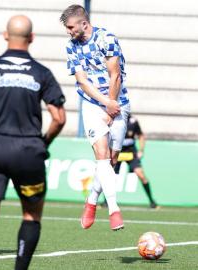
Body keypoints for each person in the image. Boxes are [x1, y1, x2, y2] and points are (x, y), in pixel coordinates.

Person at [0, 15, 66, 270]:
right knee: (31, 215)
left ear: (5, 35)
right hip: (27, 151)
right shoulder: (42, 73)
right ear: (31, 38)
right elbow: (59, 118)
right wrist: (44, 143)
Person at [60, 4, 130, 231]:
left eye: (71, 27)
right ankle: (113, 210)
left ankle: (91, 201)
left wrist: (111, 105)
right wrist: (104, 104)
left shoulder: (107, 39)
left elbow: (115, 74)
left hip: (118, 102)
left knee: (111, 161)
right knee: (101, 155)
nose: (69, 31)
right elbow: (82, 80)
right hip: (92, 104)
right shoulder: (71, 46)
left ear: (84, 23)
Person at [114, 114, 158, 209]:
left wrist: (141, 150)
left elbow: (141, 135)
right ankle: (105, 202)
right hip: (117, 151)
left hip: (131, 152)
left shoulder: (133, 121)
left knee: (141, 174)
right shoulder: (114, 120)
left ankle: (152, 201)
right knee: (111, 177)